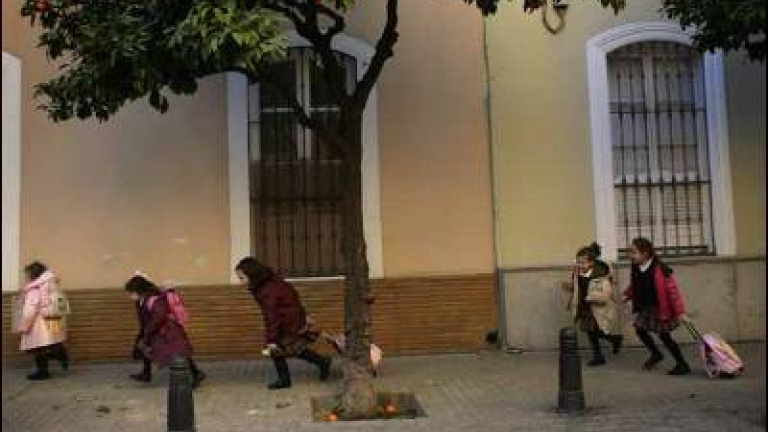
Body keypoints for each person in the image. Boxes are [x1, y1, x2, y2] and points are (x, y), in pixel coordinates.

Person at [235, 257, 331, 390]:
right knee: (293, 348)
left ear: (252, 275)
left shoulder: (265, 291)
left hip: (287, 321)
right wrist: (303, 315)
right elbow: (293, 296)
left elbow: (272, 316)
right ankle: (322, 362)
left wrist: (271, 339)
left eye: (242, 278)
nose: (240, 282)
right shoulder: (271, 281)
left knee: (276, 349)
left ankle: (286, 379)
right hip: (292, 318)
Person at [623, 237, 691, 376]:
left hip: (660, 308)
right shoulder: (636, 266)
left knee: (664, 336)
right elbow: (636, 284)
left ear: (645, 253)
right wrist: (627, 294)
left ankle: (682, 364)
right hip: (646, 306)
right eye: (630, 252)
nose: (630, 255)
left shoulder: (660, 269)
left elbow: (673, 291)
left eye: (634, 252)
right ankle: (656, 354)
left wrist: (681, 312)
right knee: (640, 330)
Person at [124, 274, 206, 387]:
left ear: (139, 291)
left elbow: (159, 316)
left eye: (131, 293)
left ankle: (195, 374)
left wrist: (147, 331)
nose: (129, 296)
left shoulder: (153, 299)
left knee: (178, 353)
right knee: (152, 349)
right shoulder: (141, 301)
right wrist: (144, 334)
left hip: (168, 332)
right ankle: (146, 373)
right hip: (158, 331)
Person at [563, 243, 623, 366]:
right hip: (584, 307)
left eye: (583, 263)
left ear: (591, 263)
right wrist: (570, 291)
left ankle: (615, 339)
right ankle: (599, 355)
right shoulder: (577, 273)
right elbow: (577, 288)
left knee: (598, 331)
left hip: (598, 308)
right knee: (590, 332)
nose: (580, 265)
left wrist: (591, 297)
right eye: (578, 262)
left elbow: (605, 294)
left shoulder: (600, 275)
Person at [14, 261, 70, 381]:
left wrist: (24, 326)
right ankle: (61, 355)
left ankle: (45, 370)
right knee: (54, 342)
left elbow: (30, 310)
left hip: (38, 323)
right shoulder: (51, 284)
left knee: (37, 348)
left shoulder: (34, 288)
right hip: (53, 317)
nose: (26, 277)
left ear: (33, 274)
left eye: (27, 274)